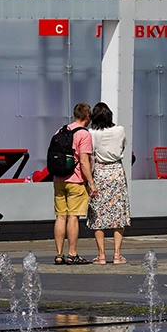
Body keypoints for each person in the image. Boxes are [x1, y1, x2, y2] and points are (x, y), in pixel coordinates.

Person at [51, 102, 95, 265]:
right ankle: (72, 254)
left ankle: (58, 254)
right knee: (73, 217)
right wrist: (90, 182)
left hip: (58, 179)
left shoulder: (61, 130)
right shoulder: (84, 134)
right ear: (87, 117)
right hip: (75, 180)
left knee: (60, 216)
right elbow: (84, 161)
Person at [87, 102, 130, 265]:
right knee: (118, 213)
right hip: (117, 171)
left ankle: (101, 254)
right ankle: (117, 254)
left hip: (100, 171)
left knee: (98, 213)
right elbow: (123, 146)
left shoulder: (92, 133)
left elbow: (91, 152)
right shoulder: (120, 130)